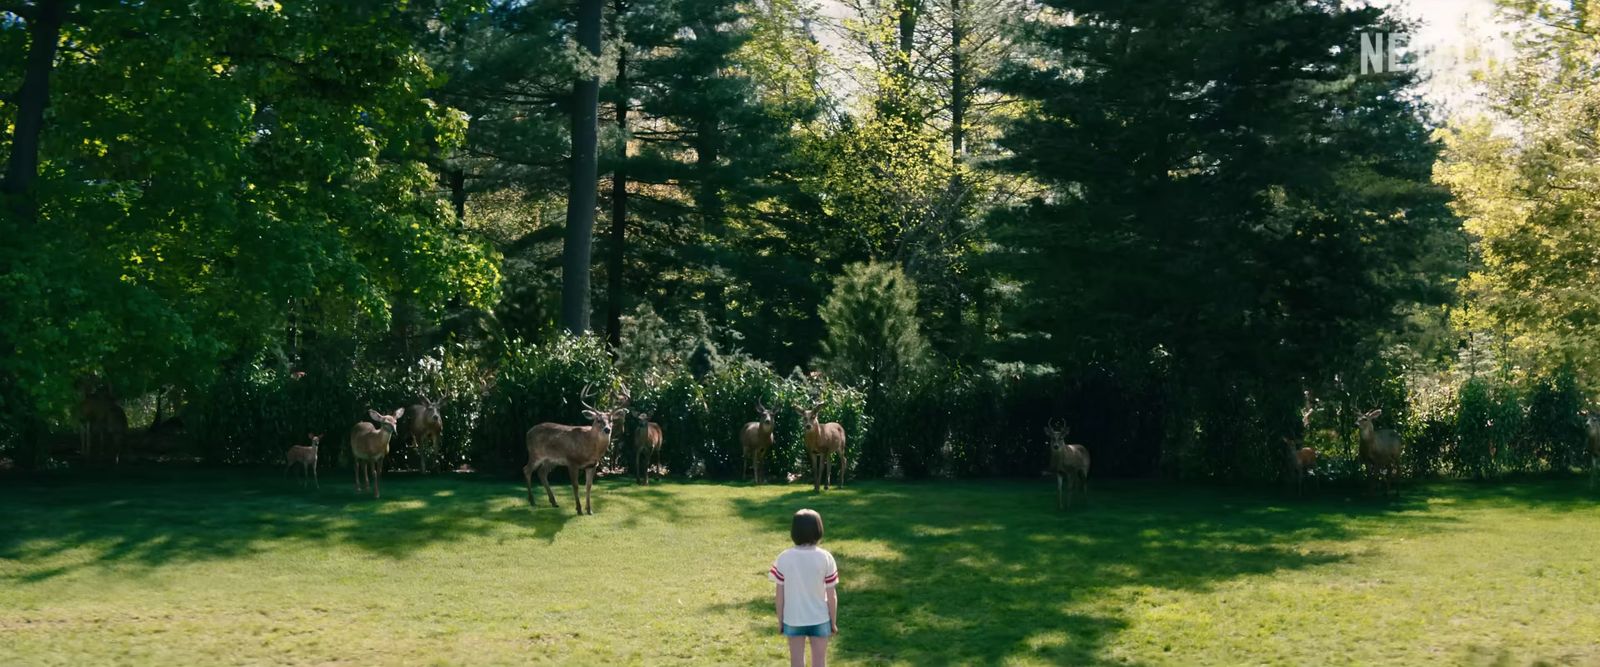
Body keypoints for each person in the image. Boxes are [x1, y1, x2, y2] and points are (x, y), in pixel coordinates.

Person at [769, 508, 839, 667]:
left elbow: (779, 595)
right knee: (820, 662)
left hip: (793, 618)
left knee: (796, 662)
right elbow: (832, 595)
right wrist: (832, 622)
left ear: (794, 532)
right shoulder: (826, 557)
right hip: (820, 618)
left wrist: (781, 621)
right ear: (819, 530)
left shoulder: (784, 557)